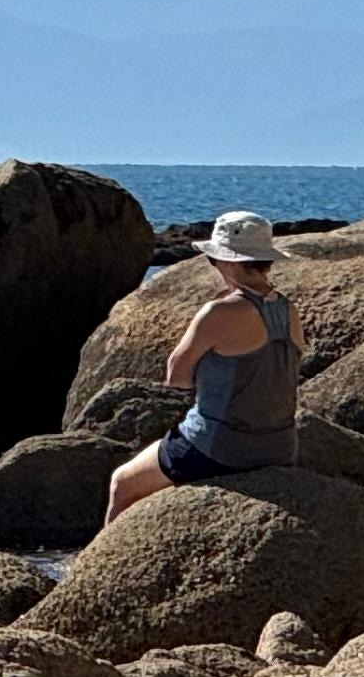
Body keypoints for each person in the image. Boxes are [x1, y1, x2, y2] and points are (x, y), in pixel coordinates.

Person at [103, 211, 299, 522]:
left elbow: (177, 377)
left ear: (227, 261)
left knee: (123, 482)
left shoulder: (218, 312)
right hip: (280, 447)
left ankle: (103, 567)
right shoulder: (288, 309)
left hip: (218, 446)